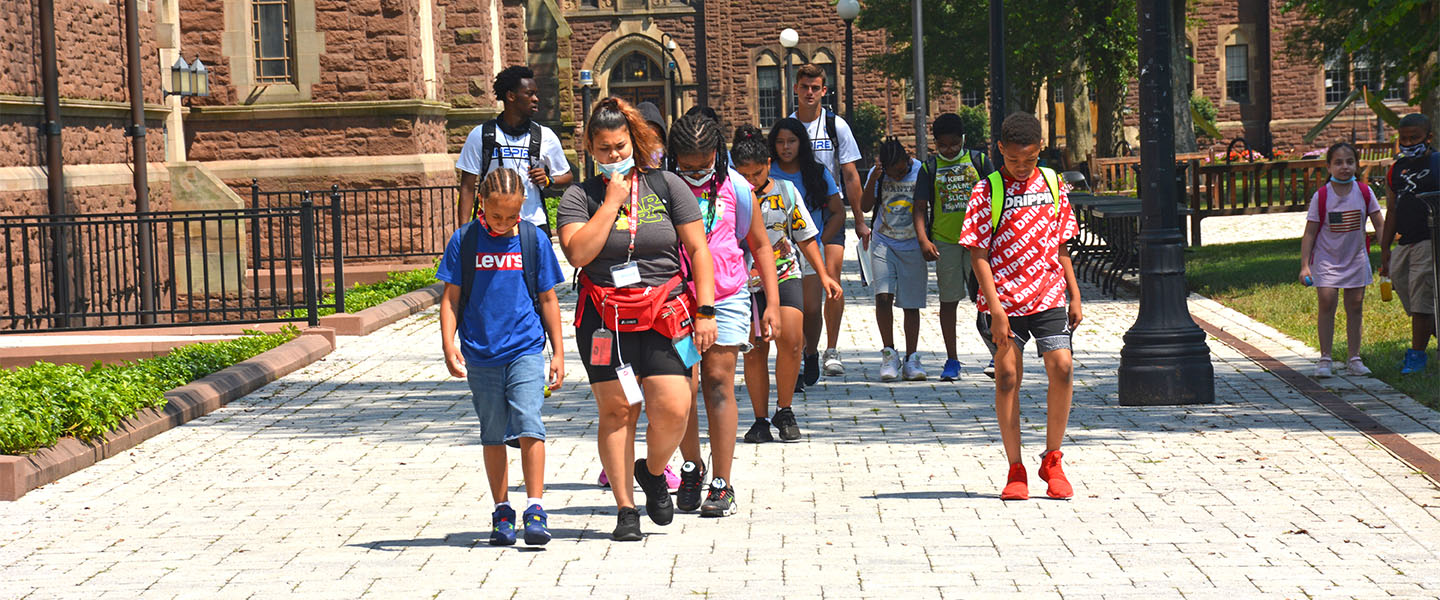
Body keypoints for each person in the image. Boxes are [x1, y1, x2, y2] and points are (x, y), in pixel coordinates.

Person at [556, 97, 717, 541]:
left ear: (636, 143)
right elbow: (578, 253)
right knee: (618, 410)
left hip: (666, 313)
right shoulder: (579, 196)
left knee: (675, 406)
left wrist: (706, 310)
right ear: (591, 148)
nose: (614, 156)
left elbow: (699, 251)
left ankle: (650, 470)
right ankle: (626, 509)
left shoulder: (667, 185)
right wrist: (610, 203)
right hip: (605, 320)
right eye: (605, 149)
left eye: (621, 147)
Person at [957, 112, 1082, 501]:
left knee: (1062, 367)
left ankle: (1053, 459)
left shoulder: (1053, 184)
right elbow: (977, 254)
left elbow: (1060, 244)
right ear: (1000, 151)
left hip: (1047, 293)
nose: (1022, 167)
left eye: (1029, 159)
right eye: (1014, 161)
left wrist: (1074, 292)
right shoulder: (987, 191)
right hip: (1003, 300)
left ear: (1040, 150)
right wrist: (993, 308)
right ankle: (1015, 468)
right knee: (1008, 377)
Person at [437, 168, 565, 546]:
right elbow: (451, 298)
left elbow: (548, 298)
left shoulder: (532, 240)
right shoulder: (465, 241)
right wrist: (449, 343)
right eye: (497, 216)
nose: (505, 223)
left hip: (525, 346)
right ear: (481, 203)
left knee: (529, 422)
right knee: (492, 432)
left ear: (523, 206)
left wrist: (558, 351)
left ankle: (536, 507)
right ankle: (502, 510)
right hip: (481, 351)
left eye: (513, 215)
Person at [670, 109, 782, 517]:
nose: (697, 174)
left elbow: (761, 246)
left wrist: (771, 303)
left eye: (704, 166)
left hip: (728, 298)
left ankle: (722, 482)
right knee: (682, 387)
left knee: (718, 382)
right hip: (676, 301)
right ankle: (690, 467)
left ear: (718, 153)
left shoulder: (736, 186)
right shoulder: (663, 188)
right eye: (688, 167)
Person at [732, 125, 843, 443]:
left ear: (769, 163)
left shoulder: (786, 191)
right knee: (754, 351)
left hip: (784, 274)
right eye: (744, 175)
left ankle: (785, 409)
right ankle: (760, 418)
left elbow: (806, 236)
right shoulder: (731, 196)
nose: (751, 181)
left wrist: (823, 275)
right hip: (746, 283)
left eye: (756, 173)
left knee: (793, 341)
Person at [791, 63, 863, 382]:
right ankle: (808, 349)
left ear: (824, 90)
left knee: (831, 281)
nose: (810, 92)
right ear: (796, 89)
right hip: (795, 218)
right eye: (804, 86)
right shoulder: (788, 128)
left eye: (815, 87)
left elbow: (849, 173)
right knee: (805, 294)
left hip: (829, 212)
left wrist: (860, 219)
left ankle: (831, 349)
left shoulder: (836, 126)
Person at [913, 113, 994, 381]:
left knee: (987, 299)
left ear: (964, 140)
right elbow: (920, 207)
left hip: (979, 242)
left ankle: (997, 352)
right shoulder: (929, 168)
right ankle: (952, 359)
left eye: (955, 144)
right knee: (949, 301)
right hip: (945, 241)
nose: (949, 150)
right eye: (943, 146)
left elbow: (998, 196)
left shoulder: (979, 161)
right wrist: (924, 239)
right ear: (935, 143)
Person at [768, 118, 847, 393]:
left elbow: (838, 212)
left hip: (810, 249)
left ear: (801, 143)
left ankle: (811, 351)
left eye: (791, 141)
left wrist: (818, 242)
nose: (786, 147)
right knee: (794, 309)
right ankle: (796, 363)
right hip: (778, 252)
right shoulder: (768, 171)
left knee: (812, 308)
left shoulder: (816, 172)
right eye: (780, 142)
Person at [1299, 142, 1385, 377]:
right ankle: (1325, 357)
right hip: (1326, 259)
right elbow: (1310, 232)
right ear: (1328, 167)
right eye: (1338, 162)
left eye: (1349, 162)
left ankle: (1354, 358)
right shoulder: (1322, 196)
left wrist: (1388, 254)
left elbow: (1379, 223)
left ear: (1357, 165)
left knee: (1355, 306)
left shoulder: (1365, 192)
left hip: (1356, 258)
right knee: (1327, 302)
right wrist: (1305, 265)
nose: (1344, 167)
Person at [457, 65, 574, 234]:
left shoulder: (544, 135)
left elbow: (567, 175)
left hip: (534, 224)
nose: (536, 99)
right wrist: (462, 232)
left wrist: (549, 180)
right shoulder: (481, 135)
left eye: (536, 94)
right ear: (511, 96)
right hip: (493, 224)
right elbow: (467, 187)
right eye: (529, 93)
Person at [860, 138, 929, 381]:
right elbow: (865, 206)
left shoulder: (921, 170)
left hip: (912, 243)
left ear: (907, 158)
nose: (898, 177)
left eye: (901, 171)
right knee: (883, 297)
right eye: (893, 174)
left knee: (911, 304)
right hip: (884, 241)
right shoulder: (877, 174)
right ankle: (889, 354)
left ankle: (912, 357)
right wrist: (873, 180)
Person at [1380, 113, 1439, 375]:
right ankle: (1431, 334)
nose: (1408, 143)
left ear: (1429, 137)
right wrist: (1384, 248)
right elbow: (1392, 209)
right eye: (1403, 139)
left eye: (1414, 138)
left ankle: (1416, 357)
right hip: (1405, 241)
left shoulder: (1437, 163)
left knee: (1421, 298)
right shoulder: (1396, 169)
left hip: (1430, 238)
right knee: (1404, 288)